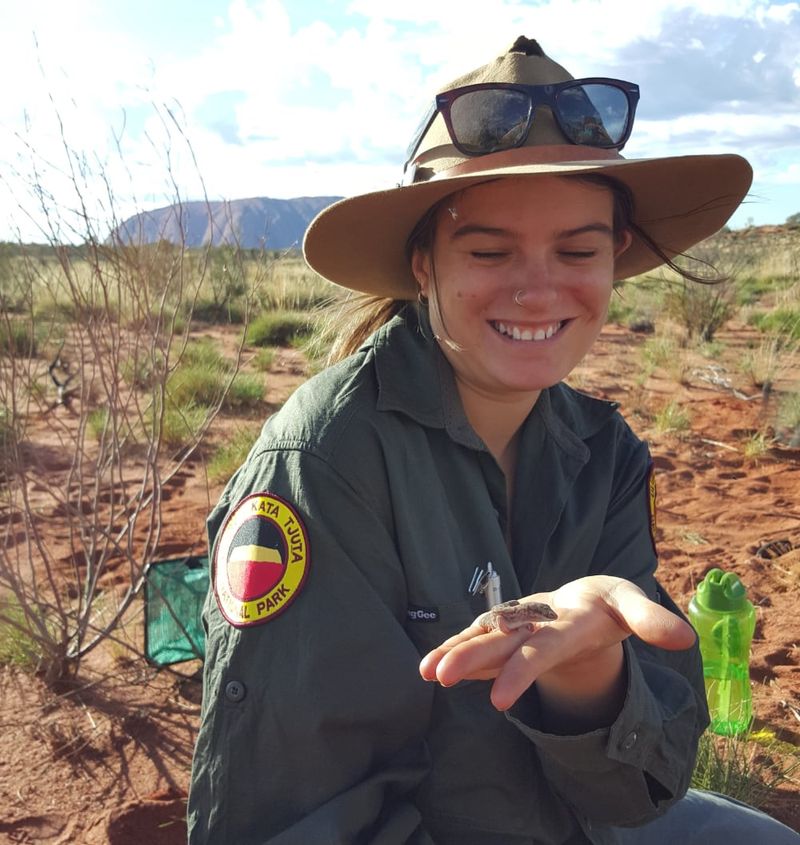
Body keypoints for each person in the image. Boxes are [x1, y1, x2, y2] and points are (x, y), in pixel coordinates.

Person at [188, 37, 799, 844]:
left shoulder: (604, 450)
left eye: (577, 249)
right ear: (424, 264)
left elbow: (641, 783)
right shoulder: (323, 465)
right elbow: (297, 812)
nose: (539, 288)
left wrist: (591, 677)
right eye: (488, 250)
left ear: (614, 258)